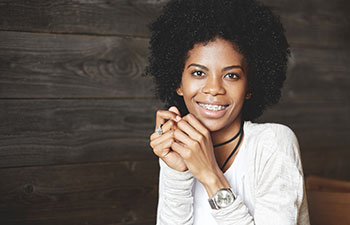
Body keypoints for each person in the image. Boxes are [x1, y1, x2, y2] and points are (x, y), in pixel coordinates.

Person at [146, 0, 310, 224]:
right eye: (198, 73)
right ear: (178, 83)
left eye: (231, 75)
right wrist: (176, 172)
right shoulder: (180, 148)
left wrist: (210, 175)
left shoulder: (273, 143)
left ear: (249, 87)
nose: (214, 88)